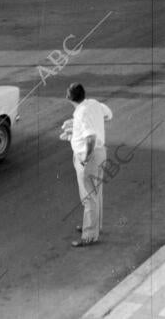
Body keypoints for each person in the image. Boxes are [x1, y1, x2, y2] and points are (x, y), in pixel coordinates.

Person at [62, 83, 112, 247]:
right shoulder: (94, 104)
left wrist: (85, 156)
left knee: (89, 195)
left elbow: (90, 138)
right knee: (96, 192)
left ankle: (89, 235)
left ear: (69, 98)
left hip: (89, 157)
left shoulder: (81, 113)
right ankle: (95, 225)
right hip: (100, 153)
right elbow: (109, 115)